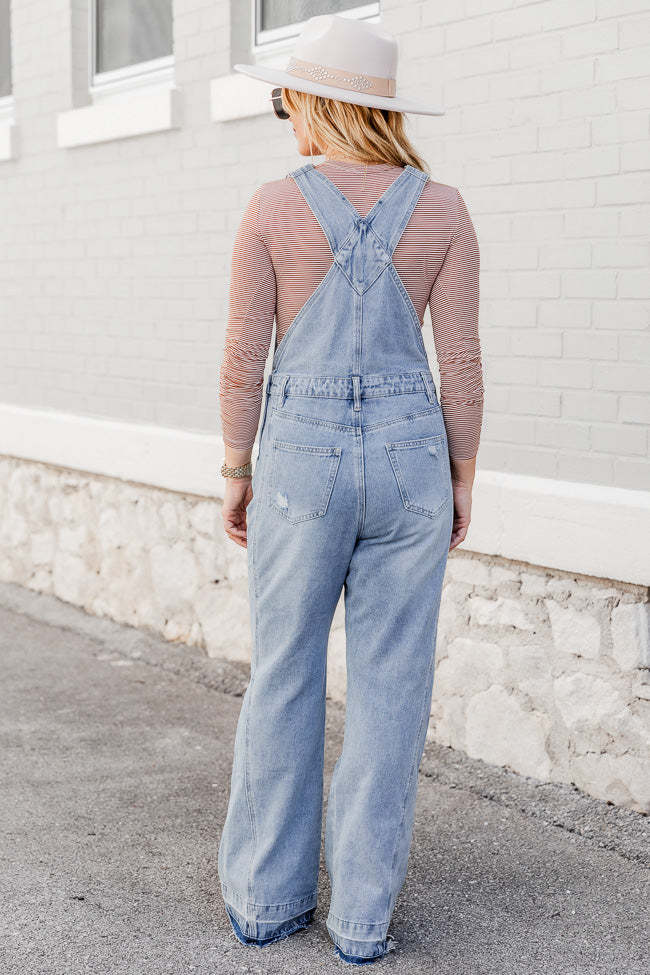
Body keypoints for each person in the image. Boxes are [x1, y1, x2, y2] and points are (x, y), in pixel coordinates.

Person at [217, 13, 483, 966]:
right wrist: (460, 474)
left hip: (299, 461)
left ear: (320, 105)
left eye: (287, 100)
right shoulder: (444, 209)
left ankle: (266, 902)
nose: (285, 115)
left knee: (284, 673)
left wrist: (237, 469)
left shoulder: (270, 208)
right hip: (413, 461)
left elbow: (244, 359)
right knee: (391, 689)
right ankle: (362, 920)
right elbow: (461, 364)